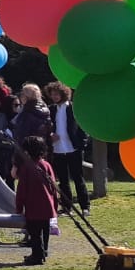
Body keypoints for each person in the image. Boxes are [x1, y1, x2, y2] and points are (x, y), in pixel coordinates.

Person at [44, 80, 90, 214]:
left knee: (78, 178)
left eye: (57, 94)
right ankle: (66, 207)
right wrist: (50, 135)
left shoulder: (73, 108)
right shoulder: (51, 109)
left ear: (64, 94)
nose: (55, 97)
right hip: (58, 149)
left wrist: (82, 143)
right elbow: (48, 127)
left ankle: (85, 207)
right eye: (52, 94)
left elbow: (83, 126)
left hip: (73, 148)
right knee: (63, 181)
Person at [13, 135, 59, 265]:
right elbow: (53, 186)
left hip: (33, 206)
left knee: (35, 232)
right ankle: (43, 252)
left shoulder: (27, 167)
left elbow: (22, 189)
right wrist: (55, 204)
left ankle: (37, 256)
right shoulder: (47, 165)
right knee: (45, 230)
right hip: (47, 204)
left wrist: (19, 207)